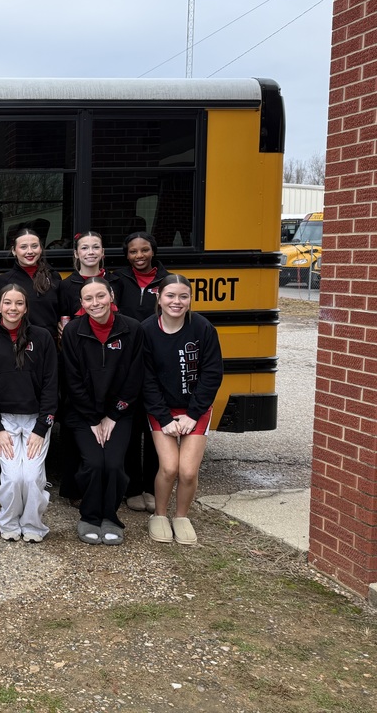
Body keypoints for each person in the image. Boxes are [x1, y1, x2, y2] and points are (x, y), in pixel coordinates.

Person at [61, 277, 145, 546]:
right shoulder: (74, 331)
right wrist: (92, 418)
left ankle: (110, 517)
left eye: (100, 296)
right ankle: (89, 516)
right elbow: (71, 379)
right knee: (95, 462)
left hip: (119, 413)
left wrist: (113, 415)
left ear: (111, 296)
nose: (95, 303)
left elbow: (135, 377)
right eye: (88, 299)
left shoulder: (131, 328)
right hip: (82, 414)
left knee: (114, 464)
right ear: (82, 304)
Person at [142, 274, 223, 546]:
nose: (177, 302)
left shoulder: (202, 328)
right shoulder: (147, 330)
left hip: (195, 409)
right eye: (171, 296)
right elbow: (146, 378)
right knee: (169, 467)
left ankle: (181, 516)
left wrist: (193, 415)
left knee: (188, 470)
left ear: (190, 299)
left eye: (183, 296)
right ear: (159, 298)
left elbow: (212, 374)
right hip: (161, 408)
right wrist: (164, 418)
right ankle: (160, 514)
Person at [0, 285, 58, 543]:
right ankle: (9, 521)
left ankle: (33, 524)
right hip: (4, 420)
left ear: (26, 307)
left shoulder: (42, 337)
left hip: (36, 419)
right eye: (7, 303)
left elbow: (50, 384)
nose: (13, 308)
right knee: (12, 477)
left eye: (19, 303)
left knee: (32, 477)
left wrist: (43, 428)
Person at [113, 232, 172, 514]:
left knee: (155, 427)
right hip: (127, 361)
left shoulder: (167, 281)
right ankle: (133, 488)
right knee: (130, 426)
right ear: (126, 255)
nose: (139, 256)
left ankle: (152, 486)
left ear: (153, 251)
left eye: (145, 250)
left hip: (159, 361)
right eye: (133, 252)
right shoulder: (118, 280)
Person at [0, 227, 62, 337]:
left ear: (40, 249)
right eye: (23, 247)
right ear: (14, 251)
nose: (30, 251)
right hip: (19, 343)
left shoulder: (54, 276)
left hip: (49, 343)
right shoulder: (3, 281)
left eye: (34, 246)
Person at [59, 231, 123, 324]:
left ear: (102, 252)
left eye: (96, 247)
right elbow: (64, 317)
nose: (91, 252)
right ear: (76, 253)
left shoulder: (116, 281)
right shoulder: (66, 285)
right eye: (84, 248)